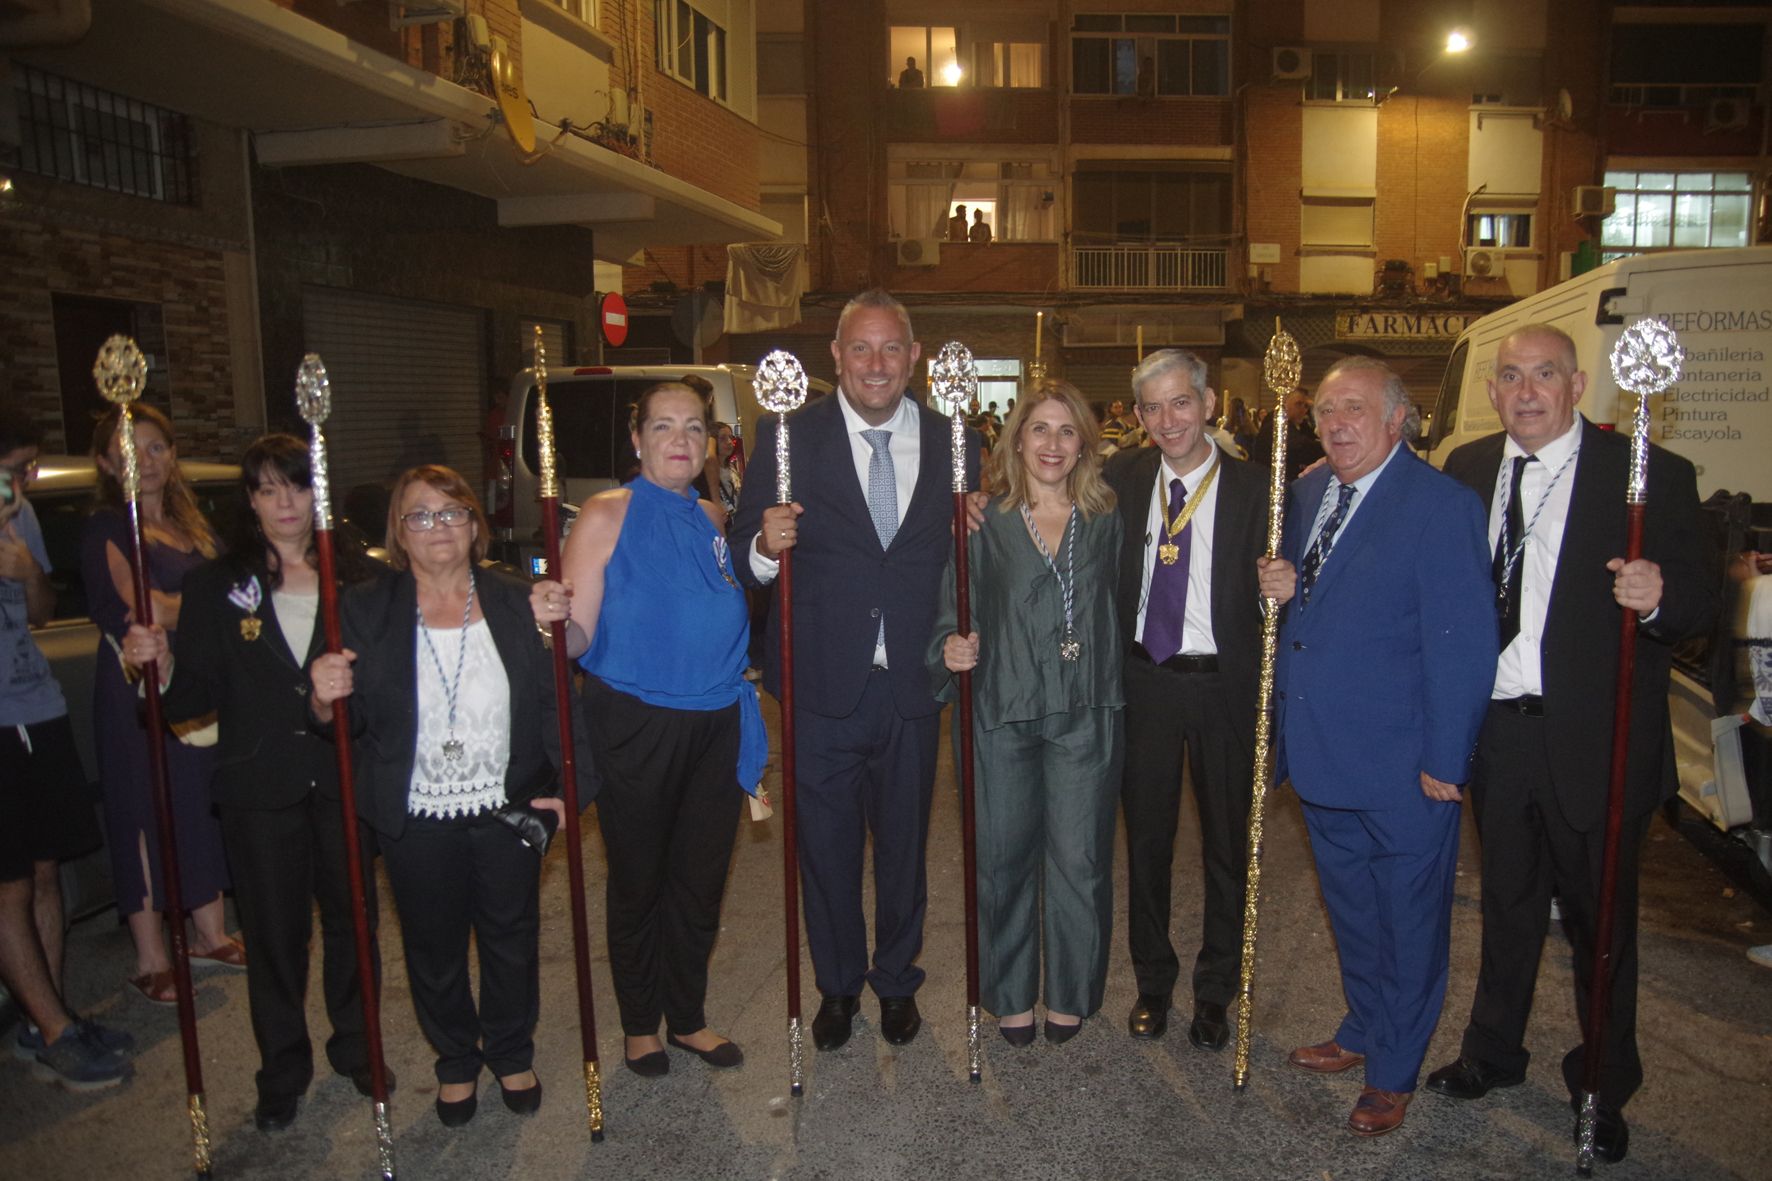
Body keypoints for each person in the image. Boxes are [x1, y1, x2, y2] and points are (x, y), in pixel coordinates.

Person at [1425, 325, 1717, 1164]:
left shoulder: (1650, 474)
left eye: (1543, 374)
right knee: (1508, 904)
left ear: (1578, 383)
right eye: (1510, 376)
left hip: (1599, 737)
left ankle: (1601, 1080)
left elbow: (1699, 607)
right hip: (1501, 730)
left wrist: (1658, 595)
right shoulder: (1470, 469)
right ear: (1492, 391)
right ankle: (1493, 1052)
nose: (1526, 391)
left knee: (1602, 923)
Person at [731, 288, 979, 1052]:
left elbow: (964, 551)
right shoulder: (785, 437)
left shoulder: (952, 439)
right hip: (818, 684)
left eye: (891, 349)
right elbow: (745, 553)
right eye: (861, 349)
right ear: (835, 358)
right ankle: (836, 984)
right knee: (826, 848)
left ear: (914, 359)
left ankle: (897, 981)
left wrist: (975, 527)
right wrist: (766, 548)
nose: (877, 364)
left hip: (911, 680)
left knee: (906, 843)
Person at [1256, 357, 1496, 1137]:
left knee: (1410, 920)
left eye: (1354, 408)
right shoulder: (1305, 493)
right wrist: (1283, 585)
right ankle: (1364, 1026)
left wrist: (1447, 760)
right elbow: (1312, 607)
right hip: (1323, 754)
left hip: (1405, 765)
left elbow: (1461, 646)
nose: (1336, 423)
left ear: (1399, 419)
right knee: (1354, 912)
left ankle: (1395, 1068)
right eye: (1326, 410)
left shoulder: (1440, 505)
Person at [122, 434, 390, 1131]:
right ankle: (283, 1067)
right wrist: (154, 667)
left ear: (317, 493)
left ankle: (359, 1048)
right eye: (268, 489)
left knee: (355, 924)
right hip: (258, 788)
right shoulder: (218, 584)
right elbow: (186, 701)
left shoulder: (357, 574)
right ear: (250, 500)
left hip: (343, 781)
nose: (285, 503)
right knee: (274, 937)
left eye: (296, 487)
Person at [309, 465, 567, 1128]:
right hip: (415, 811)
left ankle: (510, 1050)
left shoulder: (516, 598)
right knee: (431, 943)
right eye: (420, 515)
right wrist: (323, 693)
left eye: (452, 513)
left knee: (511, 936)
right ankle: (455, 1058)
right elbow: (345, 720)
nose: (438, 527)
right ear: (399, 532)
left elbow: (554, 700)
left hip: (505, 804)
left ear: (476, 525)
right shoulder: (364, 608)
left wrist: (562, 788)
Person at [530, 381, 759, 1078]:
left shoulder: (715, 517)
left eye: (694, 426)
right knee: (638, 878)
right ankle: (638, 1024)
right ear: (638, 440)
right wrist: (552, 616)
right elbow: (572, 641)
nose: (681, 439)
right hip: (636, 721)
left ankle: (686, 1015)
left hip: (716, 721)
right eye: (663, 426)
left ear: (712, 441)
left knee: (699, 880)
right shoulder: (606, 513)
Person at [932, 381, 1122, 1045]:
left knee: (1080, 857)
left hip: (1086, 711)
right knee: (1001, 857)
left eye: (1066, 431)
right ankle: (1010, 993)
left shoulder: (1106, 519)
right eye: (1039, 429)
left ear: (1084, 445)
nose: (1052, 444)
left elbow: (1131, 605)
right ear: (1017, 440)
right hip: (1002, 707)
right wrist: (949, 647)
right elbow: (953, 609)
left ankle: (1069, 990)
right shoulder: (985, 520)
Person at [1104, 350, 1267, 1051]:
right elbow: (1043, 497)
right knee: (1147, 840)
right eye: (1153, 407)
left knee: (1229, 845)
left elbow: (1299, 571)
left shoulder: (1260, 488)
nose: (1168, 419)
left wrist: (1285, 582)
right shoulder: (1119, 479)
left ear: (1206, 405)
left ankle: (1215, 988)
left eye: (1180, 403)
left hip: (1224, 684)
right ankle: (1152, 981)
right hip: (1145, 681)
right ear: (1138, 417)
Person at [81, 404, 240, 1006]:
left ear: (171, 456)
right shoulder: (105, 526)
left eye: (154, 448)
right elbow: (145, 606)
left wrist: (203, 606)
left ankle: (208, 933)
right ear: (104, 462)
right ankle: (150, 956)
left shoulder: (191, 524)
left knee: (199, 798)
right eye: (127, 450)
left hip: (193, 679)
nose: (143, 461)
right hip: (134, 680)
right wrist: (202, 605)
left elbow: (232, 589)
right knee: (140, 806)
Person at [0, 410, 132, 1090]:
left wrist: (24, 573)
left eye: (27, 470)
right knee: (9, 882)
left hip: (36, 704)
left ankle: (46, 1016)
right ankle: (54, 1030)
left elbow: (45, 613)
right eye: (12, 471)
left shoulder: (17, 520)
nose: (20, 485)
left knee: (48, 870)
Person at [1248, 390, 1325, 482]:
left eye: (1305, 406)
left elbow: (1309, 439)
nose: (1303, 410)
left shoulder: (1299, 425)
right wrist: (1328, 448)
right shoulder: (1277, 424)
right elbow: (1302, 447)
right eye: (1298, 404)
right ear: (1284, 403)